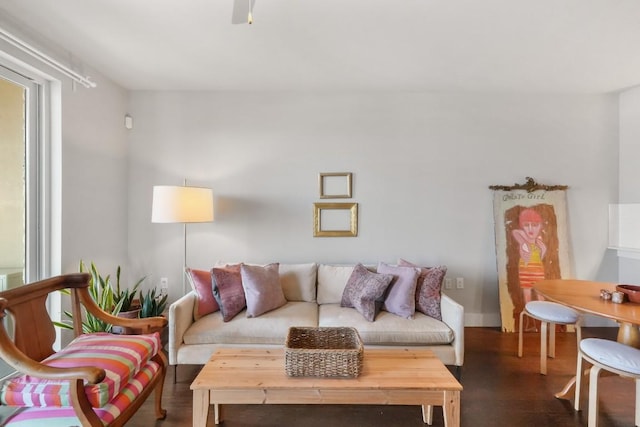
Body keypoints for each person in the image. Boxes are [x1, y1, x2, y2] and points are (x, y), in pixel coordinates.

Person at [511, 208, 546, 308]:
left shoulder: (540, 244)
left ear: (540, 226)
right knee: (527, 296)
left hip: (538, 272)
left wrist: (535, 239)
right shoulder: (523, 243)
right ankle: (530, 318)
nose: (530, 229)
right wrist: (528, 239)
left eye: (535, 225)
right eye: (526, 225)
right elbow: (515, 232)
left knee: (541, 295)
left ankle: (542, 318)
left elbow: (541, 256)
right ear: (522, 227)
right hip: (525, 272)